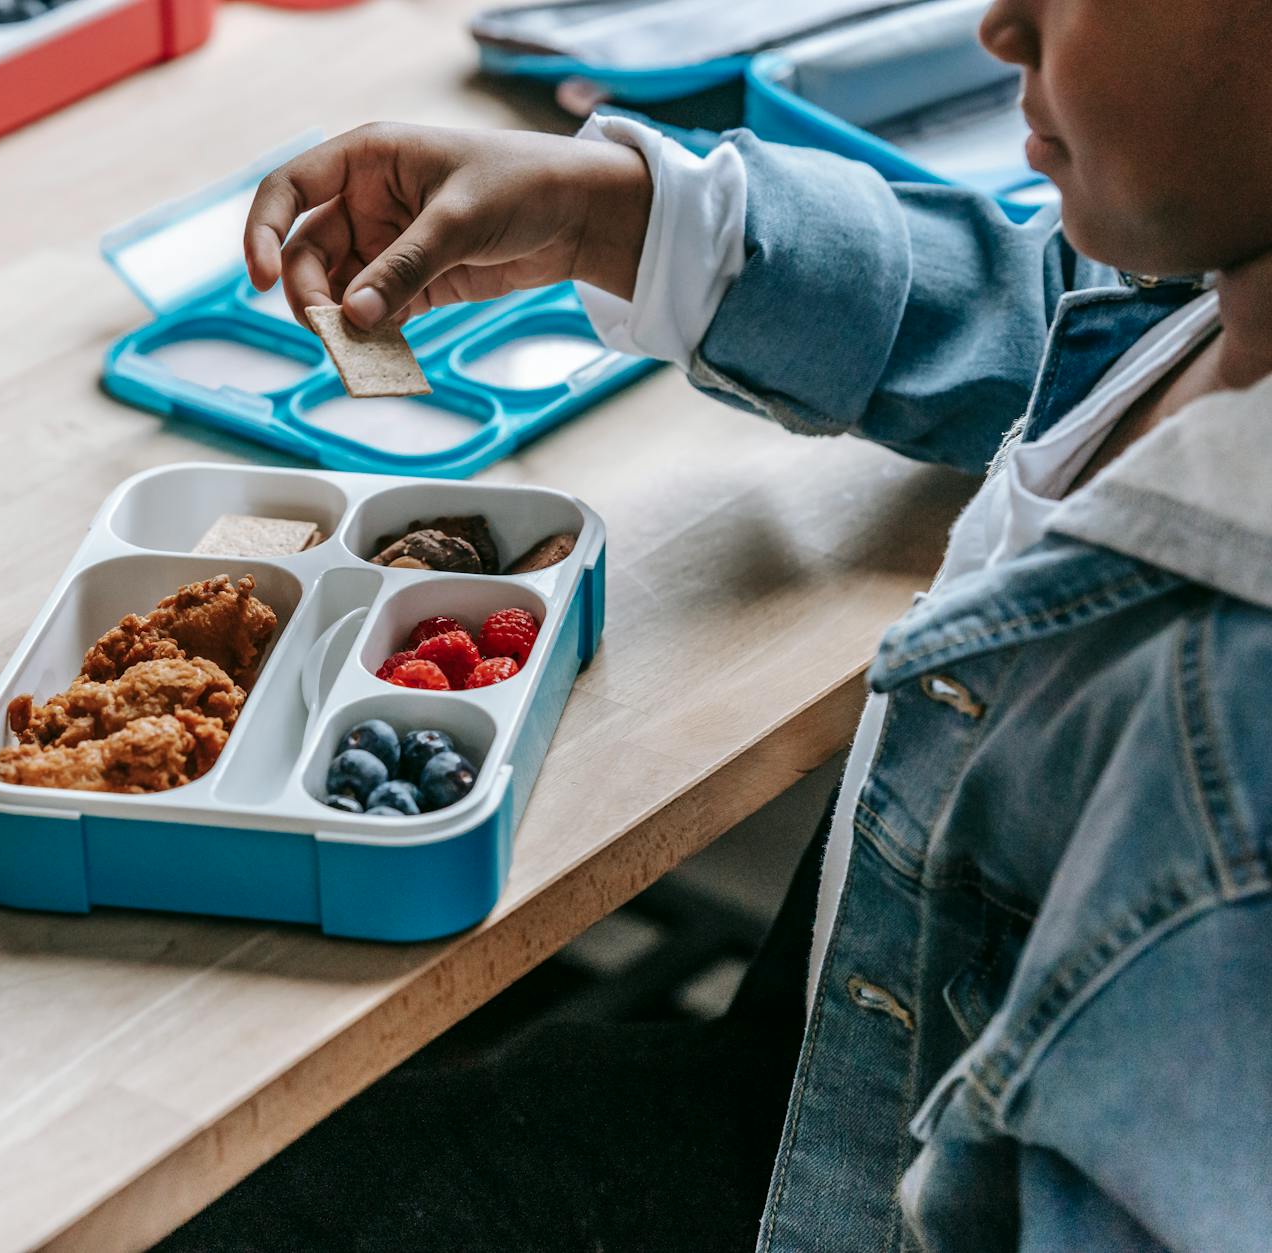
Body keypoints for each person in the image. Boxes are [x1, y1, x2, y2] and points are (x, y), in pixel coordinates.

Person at [164, 0, 1272, 1249]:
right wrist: (617, 216)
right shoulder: (1222, 295)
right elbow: (1062, 306)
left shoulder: (1230, 720)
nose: (998, 25)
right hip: (804, 1095)